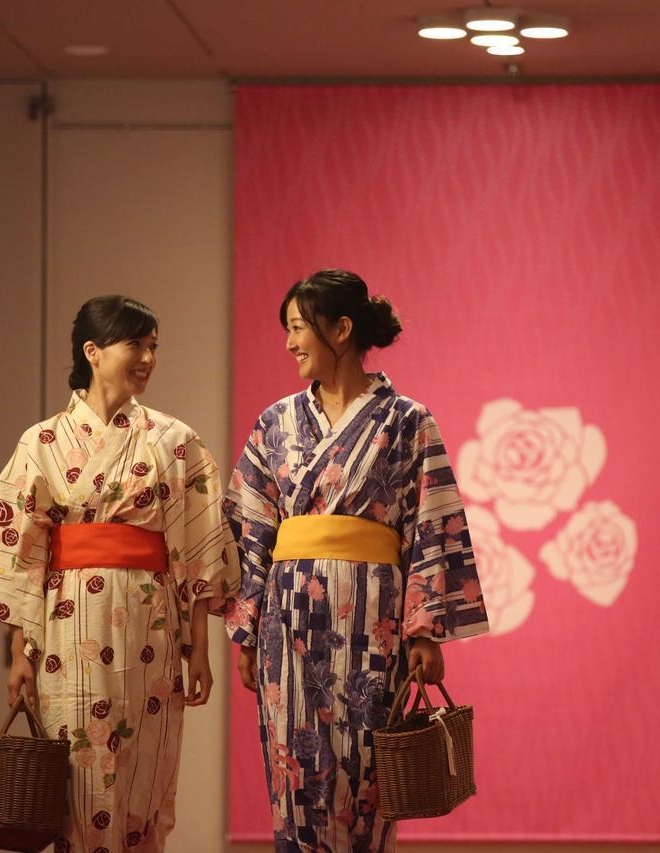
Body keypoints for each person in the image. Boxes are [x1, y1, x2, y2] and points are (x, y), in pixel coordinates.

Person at [224, 269, 490, 851]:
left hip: (373, 620)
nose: (291, 343)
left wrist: (426, 633)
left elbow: (431, 525)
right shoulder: (275, 424)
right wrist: (246, 630)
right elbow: (249, 528)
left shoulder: (407, 421)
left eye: (299, 329)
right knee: (292, 774)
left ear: (341, 330)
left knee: (367, 774)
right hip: (287, 620)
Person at [0, 295, 238, 852]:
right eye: (135, 344)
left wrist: (200, 649)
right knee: (76, 776)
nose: (148, 358)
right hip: (67, 629)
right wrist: (19, 650)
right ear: (92, 351)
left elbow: (198, 548)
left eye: (154, 346)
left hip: (152, 627)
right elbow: (21, 553)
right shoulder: (41, 442)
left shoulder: (175, 440)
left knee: (145, 779)